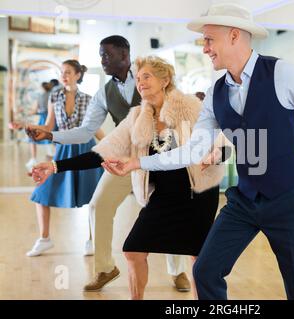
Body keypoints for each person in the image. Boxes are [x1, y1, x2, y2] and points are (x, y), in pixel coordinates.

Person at [97, 3, 294, 300]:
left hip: (289, 199)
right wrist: (138, 162)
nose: (205, 47)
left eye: (209, 40)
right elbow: (193, 151)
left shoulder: (282, 73)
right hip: (245, 200)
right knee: (205, 271)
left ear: (234, 36)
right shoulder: (215, 93)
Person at [31, 56, 227, 299]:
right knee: (133, 250)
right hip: (163, 197)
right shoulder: (136, 117)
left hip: (196, 195)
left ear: (165, 80)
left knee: (198, 259)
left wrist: (216, 154)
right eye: (138, 78)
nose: (140, 82)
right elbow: (102, 152)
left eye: (147, 76)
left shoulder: (190, 108)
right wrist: (54, 166)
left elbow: (223, 143)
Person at [26, 59, 104, 257]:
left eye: (68, 71)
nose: (64, 75)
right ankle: (44, 239)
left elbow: (94, 129)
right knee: (41, 193)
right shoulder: (55, 96)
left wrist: (112, 148)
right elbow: (50, 126)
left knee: (94, 198)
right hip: (63, 151)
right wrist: (32, 128)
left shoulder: (88, 99)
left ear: (78, 74)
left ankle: (92, 240)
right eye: (62, 71)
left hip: (86, 150)